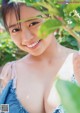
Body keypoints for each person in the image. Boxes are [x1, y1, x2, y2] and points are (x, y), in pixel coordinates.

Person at [0, 0, 79, 113]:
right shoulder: (7, 75)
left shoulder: (77, 65)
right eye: (15, 30)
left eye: (33, 23)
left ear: (55, 18)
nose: (26, 38)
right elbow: (3, 110)